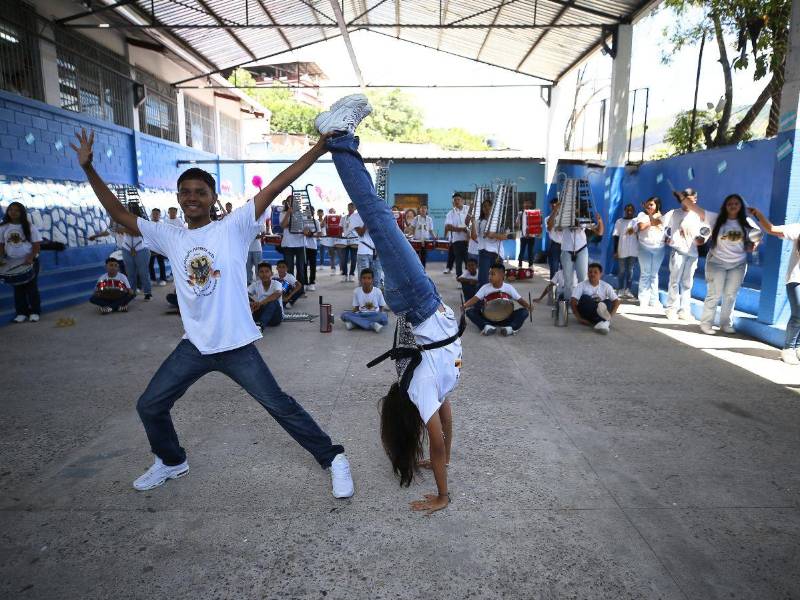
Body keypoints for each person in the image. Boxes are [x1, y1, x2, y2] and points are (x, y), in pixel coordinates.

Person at [71, 127, 353, 498]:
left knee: (279, 406)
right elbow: (119, 213)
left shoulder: (233, 227)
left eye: (199, 192)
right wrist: (89, 169)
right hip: (195, 347)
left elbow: (278, 183)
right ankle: (172, 461)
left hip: (236, 345)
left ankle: (333, 459)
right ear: (178, 198)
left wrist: (318, 149)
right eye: (185, 192)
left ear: (212, 198)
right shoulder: (170, 236)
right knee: (150, 405)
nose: (192, 198)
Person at [319, 95, 462, 514]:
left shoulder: (419, 389)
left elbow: (435, 435)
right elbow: (444, 428)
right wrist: (445, 460)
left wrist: (441, 494)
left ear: (411, 416)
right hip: (420, 301)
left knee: (379, 217)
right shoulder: (434, 391)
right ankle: (340, 138)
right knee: (381, 218)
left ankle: (339, 138)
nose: (431, 424)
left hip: (417, 300)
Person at [682, 193, 757, 335]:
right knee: (714, 294)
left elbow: (757, 235)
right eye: (730, 204)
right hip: (717, 262)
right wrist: (682, 197)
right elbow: (695, 208)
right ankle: (706, 323)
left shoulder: (747, 222)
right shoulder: (715, 218)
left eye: (736, 203)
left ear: (740, 206)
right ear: (725, 206)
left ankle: (725, 324)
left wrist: (754, 245)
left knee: (730, 295)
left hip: (738, 264)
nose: (733, 206)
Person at [748, 207, 800, 363]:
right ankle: (788, 348)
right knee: (798, 313)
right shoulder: (797, 228)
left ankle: (798, 347)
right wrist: (759, 214)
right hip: (796, 279)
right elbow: (771, 229)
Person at [546, 200, 604, 301]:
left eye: (576, 207)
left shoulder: (583, 219)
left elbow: (599, 232)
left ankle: (584, 302)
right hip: (566, 250)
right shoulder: (562, 219)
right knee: (567, 280)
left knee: (583, 278)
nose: (574, 209)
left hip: (581, 249)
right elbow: (549, 226)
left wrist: (600, 221)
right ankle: (569, 302)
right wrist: (555, 210)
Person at [662, 188, 706, 321]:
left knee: (687, 284)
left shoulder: (699, 215)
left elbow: (704, 232)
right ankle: (671, 309)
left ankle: (684, 311)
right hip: (678, 251)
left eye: (690, 200)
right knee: (674, 280)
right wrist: (666, 236)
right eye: (684, 200)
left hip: (693, 253)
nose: (687, 203)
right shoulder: (673, 213)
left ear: (695, 200)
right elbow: (663, 226)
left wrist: (702, 239)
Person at [0, 201, 42, 323]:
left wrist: (30, 257)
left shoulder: (29, 226)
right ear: (8, 212)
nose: (13, 212)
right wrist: (1, 258)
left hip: (29, 261)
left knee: (31, 288)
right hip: (12, 262)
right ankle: (21, 313)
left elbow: (36, 244)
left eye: (17, 210)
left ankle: (35, 312)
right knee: (18, 289)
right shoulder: (3, 227)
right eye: (11, 209)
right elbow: (1, 245)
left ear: (22, 213)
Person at [463, 263, 531, 336]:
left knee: (524, 312)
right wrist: (465, 305)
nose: (489, 277)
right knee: (470, 312)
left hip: (506, 317)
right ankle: (486, 326)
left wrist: (528, 306)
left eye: (492, 274)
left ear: (502, 275)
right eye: (489, 274)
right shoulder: (485, 287)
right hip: (488, 317)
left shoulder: (509, 287)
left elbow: (519, 300)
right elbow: (474, 299)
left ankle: (510, 328)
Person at [91, 223, 152, 300]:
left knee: (143, 272)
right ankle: (132, 293)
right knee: (130, 273)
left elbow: (137, 233)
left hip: (141, 249)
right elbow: (107, 232)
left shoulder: (136, 220)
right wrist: (95, 236)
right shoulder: (116, 224)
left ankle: (147, 293)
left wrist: (123, 230)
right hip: (126, 249)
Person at [571, 262, 620, 334]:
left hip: (598, 314)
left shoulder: (606, 286)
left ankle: (602, 321)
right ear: (587, 273)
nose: (592, 274)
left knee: (608, 302)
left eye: (595, 272)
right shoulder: (581, 285)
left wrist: (611, 317)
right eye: (590, 272)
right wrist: (579, 318)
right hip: (586, 314)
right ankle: (603, 321)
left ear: (600, 274)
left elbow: (617, 301)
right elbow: (573, 301)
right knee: (585, 298)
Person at [636, 196, 666, 309]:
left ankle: (654, 301)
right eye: (648, 204)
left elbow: (666, 230)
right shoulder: (642, 215)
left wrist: (657, 220)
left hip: (659, 249)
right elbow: (641, 227)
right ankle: (643, 300)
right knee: (645, 273)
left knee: (654, 275)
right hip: (644, 248)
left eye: (652, 204)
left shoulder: (662, 217)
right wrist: (652, 219)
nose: (649, 206)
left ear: (657, 205)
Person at [341, 268, 389, 332]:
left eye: (369, 278)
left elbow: (381, 308)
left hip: (374, 315)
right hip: (361, 314)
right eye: (364, 278)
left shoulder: (378, 291)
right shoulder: (356, 291)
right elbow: (356, 308)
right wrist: (350, 313)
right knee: (344, 315)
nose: (366, 280)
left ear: (372, 280)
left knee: (384, 317)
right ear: (360, 279)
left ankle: (355, 324)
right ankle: (372, 324)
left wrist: (380, 315)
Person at [475, 199, 507, 287]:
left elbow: (504, 236)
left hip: (498, 254)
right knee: (483, 279)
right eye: (484, 206)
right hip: (484, 252)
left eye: (489, 205)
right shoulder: (479, 221)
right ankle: (482, 300)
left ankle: (497, 298)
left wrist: (493, 235)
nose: (487, 208)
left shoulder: (499, 222)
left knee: (498, 279)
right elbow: (474, 236)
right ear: (482, 209)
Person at [349, 208, 383, 289]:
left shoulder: (376, 215)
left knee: (377, 280)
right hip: (363, 251)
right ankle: (363, 300)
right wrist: (367, 219)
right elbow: (361, 233)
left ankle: (375, 300)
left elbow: (381, 232)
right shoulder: (354, 217)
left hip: (376, 251)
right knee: (363, 280)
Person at [279, 196, 308, 288]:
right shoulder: (283, 213)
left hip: (300, 244)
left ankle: (300, 290)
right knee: (289, 269)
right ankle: (289, 290)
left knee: (301, 268)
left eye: (294, 201)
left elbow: (307, 229)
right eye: (289, 202)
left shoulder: (302, 214)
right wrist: (288, 213)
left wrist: (306, 231)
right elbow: (283, 225)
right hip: (288, 244)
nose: (291, 203)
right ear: (287, 203)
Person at [612, 203, 639, 298]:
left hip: (633, 250)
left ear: (634, 211)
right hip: (622, 250)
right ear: (625, 211)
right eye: (627, 210)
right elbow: (615, 236)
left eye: (631, 210)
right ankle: (620, 289)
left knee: (630, 271)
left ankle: (628, 290)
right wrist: (615, 251)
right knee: (622, 271)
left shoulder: (636, 222)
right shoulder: (619, 221)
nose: (629, 212)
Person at [248, 262, 282, 330]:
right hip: (260, 312)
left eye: (267, 271)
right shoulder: (255, 284)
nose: (264, 274)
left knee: (274, 302)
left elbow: (278, 294)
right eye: (261, 272)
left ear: (271, 273)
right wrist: (250, 303)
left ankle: (260, 325)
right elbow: (243, 294)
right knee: (245, 299)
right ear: (258, 274)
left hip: (275, 318)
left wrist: (260, 303)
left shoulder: (277, 283)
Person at [444, 193, 470, 277]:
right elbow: (448, 226)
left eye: (458, 199)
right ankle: (460, 279)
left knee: (469, 262)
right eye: (455, 200)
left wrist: (459, 228)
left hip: (469, 241)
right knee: (458, 262)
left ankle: (469, 279)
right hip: (457, 241)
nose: (457, 201)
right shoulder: (450, 213)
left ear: (462, 200)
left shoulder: (469, 210)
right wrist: (462, 229)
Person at [148, 208, 168, 287]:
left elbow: (164, 237)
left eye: (157, 214)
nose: (155, 215)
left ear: (159, 215)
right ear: (151, 214)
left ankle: (163, 279)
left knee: (161, 264)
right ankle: (153, 279)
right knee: (150, 264)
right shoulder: (148, 224)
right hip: (151, 247)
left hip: (160, 248)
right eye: (154, 214)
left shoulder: (163, 225)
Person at [340, 202, 359, 282]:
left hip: (354, 240)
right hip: (345, 240)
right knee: (344, 258)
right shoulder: (343, 218)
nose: (350, 208)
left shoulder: (357, 218)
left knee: (353, 258)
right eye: (349, 207)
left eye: (352, 207)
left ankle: (352, 274)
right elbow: (340, 228)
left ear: (355, 208)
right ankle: (344, 274)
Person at [411, 205, 434, 269]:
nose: (423, 209)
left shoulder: (429, 219)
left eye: (425, 208)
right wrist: (410, 236)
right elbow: (412, 228)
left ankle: (423, 270)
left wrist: (435, 237)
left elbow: (431, 230)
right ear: (419, 209)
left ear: (427, 210)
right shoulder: (416, 218)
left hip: (425, 241)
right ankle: (416, 269)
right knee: (416, 256)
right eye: (421, 208)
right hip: (417, 240)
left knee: (424, 256)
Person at [517, 198, 537, 268]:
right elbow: (517, 224)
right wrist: (517, 222)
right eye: (525, 203)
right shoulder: (520, 213)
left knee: (530, 252)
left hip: (532, 236)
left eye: (528, 203)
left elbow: (537, 224)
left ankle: (531, 266)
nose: (527, 205)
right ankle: (519, 265)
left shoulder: (534, 213)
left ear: (531, 204)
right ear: (523, 204)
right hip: (523, 236)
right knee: (522, 251)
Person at [546, 198, 562, 279]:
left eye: (555, 205)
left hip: (566, 245)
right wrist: (555, 211)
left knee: (565, 268)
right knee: (554, 267)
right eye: (552, 206)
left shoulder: (565, 218)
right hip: (554, 245)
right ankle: (553, 287)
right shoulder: (548, 218)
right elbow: (549, 228)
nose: (553, 207)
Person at [303, 216, 319, 292]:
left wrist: (311, 234)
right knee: (304, 265)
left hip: (313, 246)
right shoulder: (303, 221)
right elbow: (301, 232)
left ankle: (312, 282)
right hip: (303, 246)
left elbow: (320, 233)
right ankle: (305, 282)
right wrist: (306, 233)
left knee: (313, 266)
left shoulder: (316, 222)